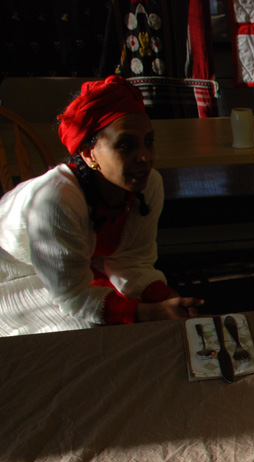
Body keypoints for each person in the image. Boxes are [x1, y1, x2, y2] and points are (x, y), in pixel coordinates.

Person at [0, 75, 202, 336]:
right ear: (89, 153)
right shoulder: (55, 201)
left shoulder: (148, 186)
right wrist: (149, 312)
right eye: (125, 145)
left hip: (75, 270)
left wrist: (166, 299)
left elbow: (130, 261)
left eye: (148, 142)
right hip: (17, 276)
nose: (145, 157)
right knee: (85, 334)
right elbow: (73, 295)